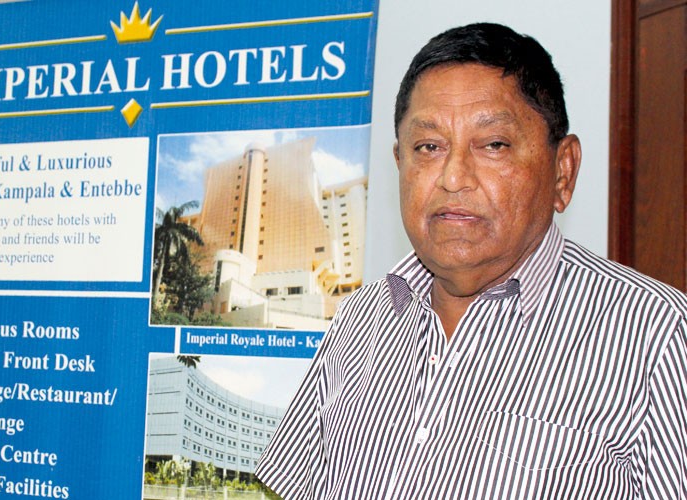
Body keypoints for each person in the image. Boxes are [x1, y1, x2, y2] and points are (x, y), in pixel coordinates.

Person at [255, 23, 687, 499]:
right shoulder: (362, 316)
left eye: (493, 144)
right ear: (399, 164)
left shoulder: (658, 337)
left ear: (563, 171)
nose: (453, 177)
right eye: (428, 147)